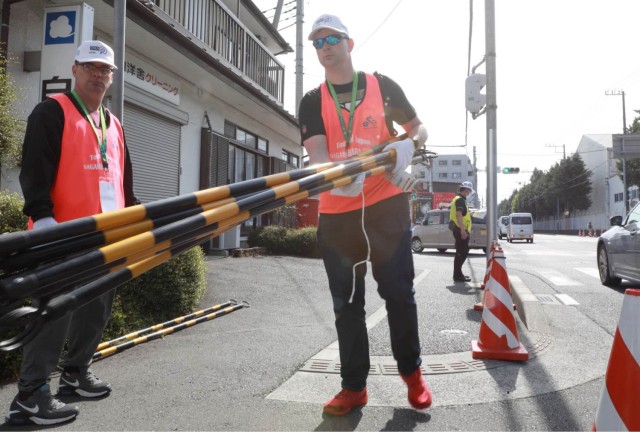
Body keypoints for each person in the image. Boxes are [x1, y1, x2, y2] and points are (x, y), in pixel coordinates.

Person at [298, 14, 431, 416]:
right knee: (346, 303)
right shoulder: (311, 100)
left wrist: (409, 146)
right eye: (318, 42)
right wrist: (338, 180)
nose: (325, 47)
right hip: (338, 211)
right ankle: (354, 387)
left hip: (385, 202)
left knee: (398, 292)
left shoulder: (381, 84)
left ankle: (412, 374)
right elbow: (319, 158)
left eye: (332, 39)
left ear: (349, 43)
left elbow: (420, 129)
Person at [6, 40, 138, 426]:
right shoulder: (52, 111)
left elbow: (124, 180)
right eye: (91, 67)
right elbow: (33, 168)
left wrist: (136, 218)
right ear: (76, 69)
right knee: (54, 314)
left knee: (96, 307)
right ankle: (31, 396)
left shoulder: (114, 124)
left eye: (105, 70)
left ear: (112, 78)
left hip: (105, 234)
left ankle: (75, 374)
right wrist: (42, 216)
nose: (99, 75)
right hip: (59, 234)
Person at [450, 181, 474, 282]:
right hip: (460, 229)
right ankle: (457, 276)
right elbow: (458, 215)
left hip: (459, 228)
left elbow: (462, 215)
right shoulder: (460, 200)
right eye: (468, 192)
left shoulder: (460, 200)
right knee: (461, 252)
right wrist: (463, 231)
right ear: (465, 190)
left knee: (462, 252)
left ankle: (458, 274)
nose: (469, 194)